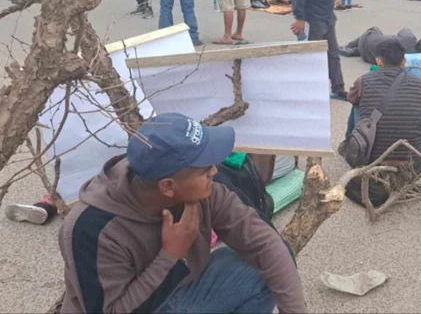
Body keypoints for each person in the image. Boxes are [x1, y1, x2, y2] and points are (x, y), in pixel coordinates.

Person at [57, 113, 307, 313]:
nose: (214, 171)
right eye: (204, 168)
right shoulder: (89, 228)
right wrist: (170, 255)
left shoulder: (205, 191)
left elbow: (266, 245)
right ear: (168, 186)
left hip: (182, 291)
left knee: (266, 266)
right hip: (135, 307)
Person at [342, 39, 421, 205]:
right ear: (404, 62)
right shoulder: (420, 84)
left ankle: (351, 146)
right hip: (412, 163)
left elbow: (351, 98)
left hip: (371, 161)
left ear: (378, 61)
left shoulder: (363, 80)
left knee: (357, 106)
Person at [338, 27, 421, 64]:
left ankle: (350, 46)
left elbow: (404, 30)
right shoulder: (410, 61)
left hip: (366, 40)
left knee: (374, 29)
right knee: (382, 46)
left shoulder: (410, 39)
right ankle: (354, 51)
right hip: (368, 57)